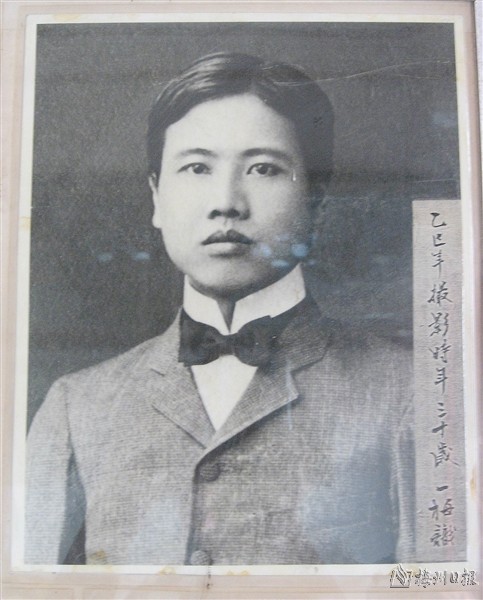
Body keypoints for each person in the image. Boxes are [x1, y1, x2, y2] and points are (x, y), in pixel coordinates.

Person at [25, 52, 415, 565]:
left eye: (263, 168)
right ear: (156, 197)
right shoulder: (77, 406)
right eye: (197, 168)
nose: (226, 202)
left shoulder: (409, 390)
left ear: (315, 199)